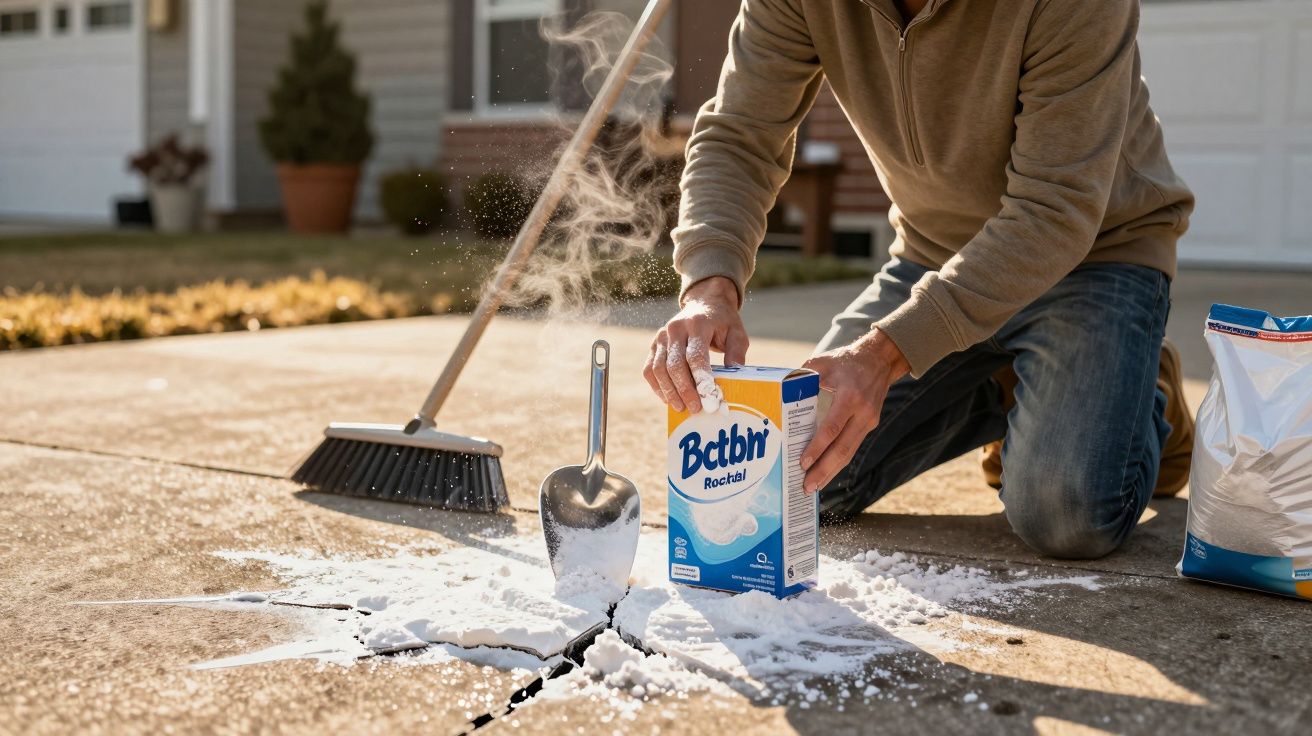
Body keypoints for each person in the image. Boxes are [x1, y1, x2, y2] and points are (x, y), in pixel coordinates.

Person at [643, 0, 1196, 559]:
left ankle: (1146, 391)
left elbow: (1056, 210)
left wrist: (885, 354)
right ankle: (1015, 386)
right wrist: (708, 286)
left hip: (1095, 257)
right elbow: (739, 136)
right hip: (934, 256)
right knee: (790, 480)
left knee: (1067, 513)